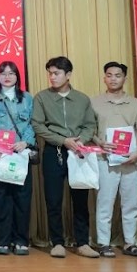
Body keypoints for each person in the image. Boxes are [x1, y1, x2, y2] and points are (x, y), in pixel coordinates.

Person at [32, 56, 99, 259]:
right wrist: (63, 140)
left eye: (56, 73)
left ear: (68, 75)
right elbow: (38, 125)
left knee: (80, 200)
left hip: (79, 152)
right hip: (54, 152)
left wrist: (80, 141)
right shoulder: (42, 98)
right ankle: (57, 242)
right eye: (50, 73)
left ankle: (82, 242)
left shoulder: (82, 99)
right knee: (53, 200)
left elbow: (90, 125)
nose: (52, 77)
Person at [90, 61, 137, 258]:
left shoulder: (136, 103)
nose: (113, 79)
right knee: (105, 202)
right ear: (104, 78)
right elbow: (90, 130)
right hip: (104, 159)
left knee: (131, 203)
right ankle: (103, 243)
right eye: (109, 75)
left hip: (130, 160)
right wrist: (100, 142)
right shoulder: (94, 102)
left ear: (125, 78)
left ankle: (130, 243)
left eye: (118, 75)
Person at [0, 61, 35, 255]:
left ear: (17, 76)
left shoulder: (27, 98)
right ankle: (2, 241)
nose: (7, 77)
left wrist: (25, 142)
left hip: (20, 156)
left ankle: (20, 241)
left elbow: (31, 124)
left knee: (22, 199)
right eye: (3, 73)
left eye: (11, 73)